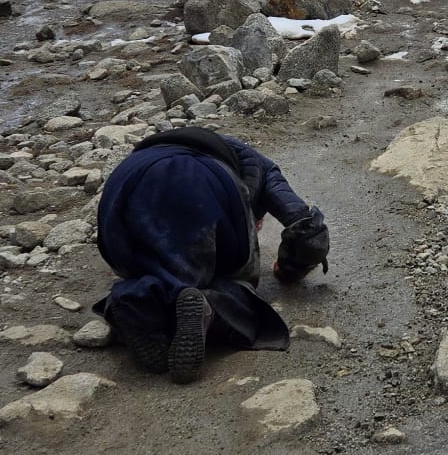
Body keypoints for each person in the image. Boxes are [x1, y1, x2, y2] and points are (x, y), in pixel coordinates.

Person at [95, 128, 330, 382]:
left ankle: (131, 300)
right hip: (200, 181)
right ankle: (211, 306)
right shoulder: (262, 167)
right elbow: (310, 234)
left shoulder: (151, 152)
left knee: (144, 267)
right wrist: (290, 269)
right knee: (236, 281)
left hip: (124, 181)